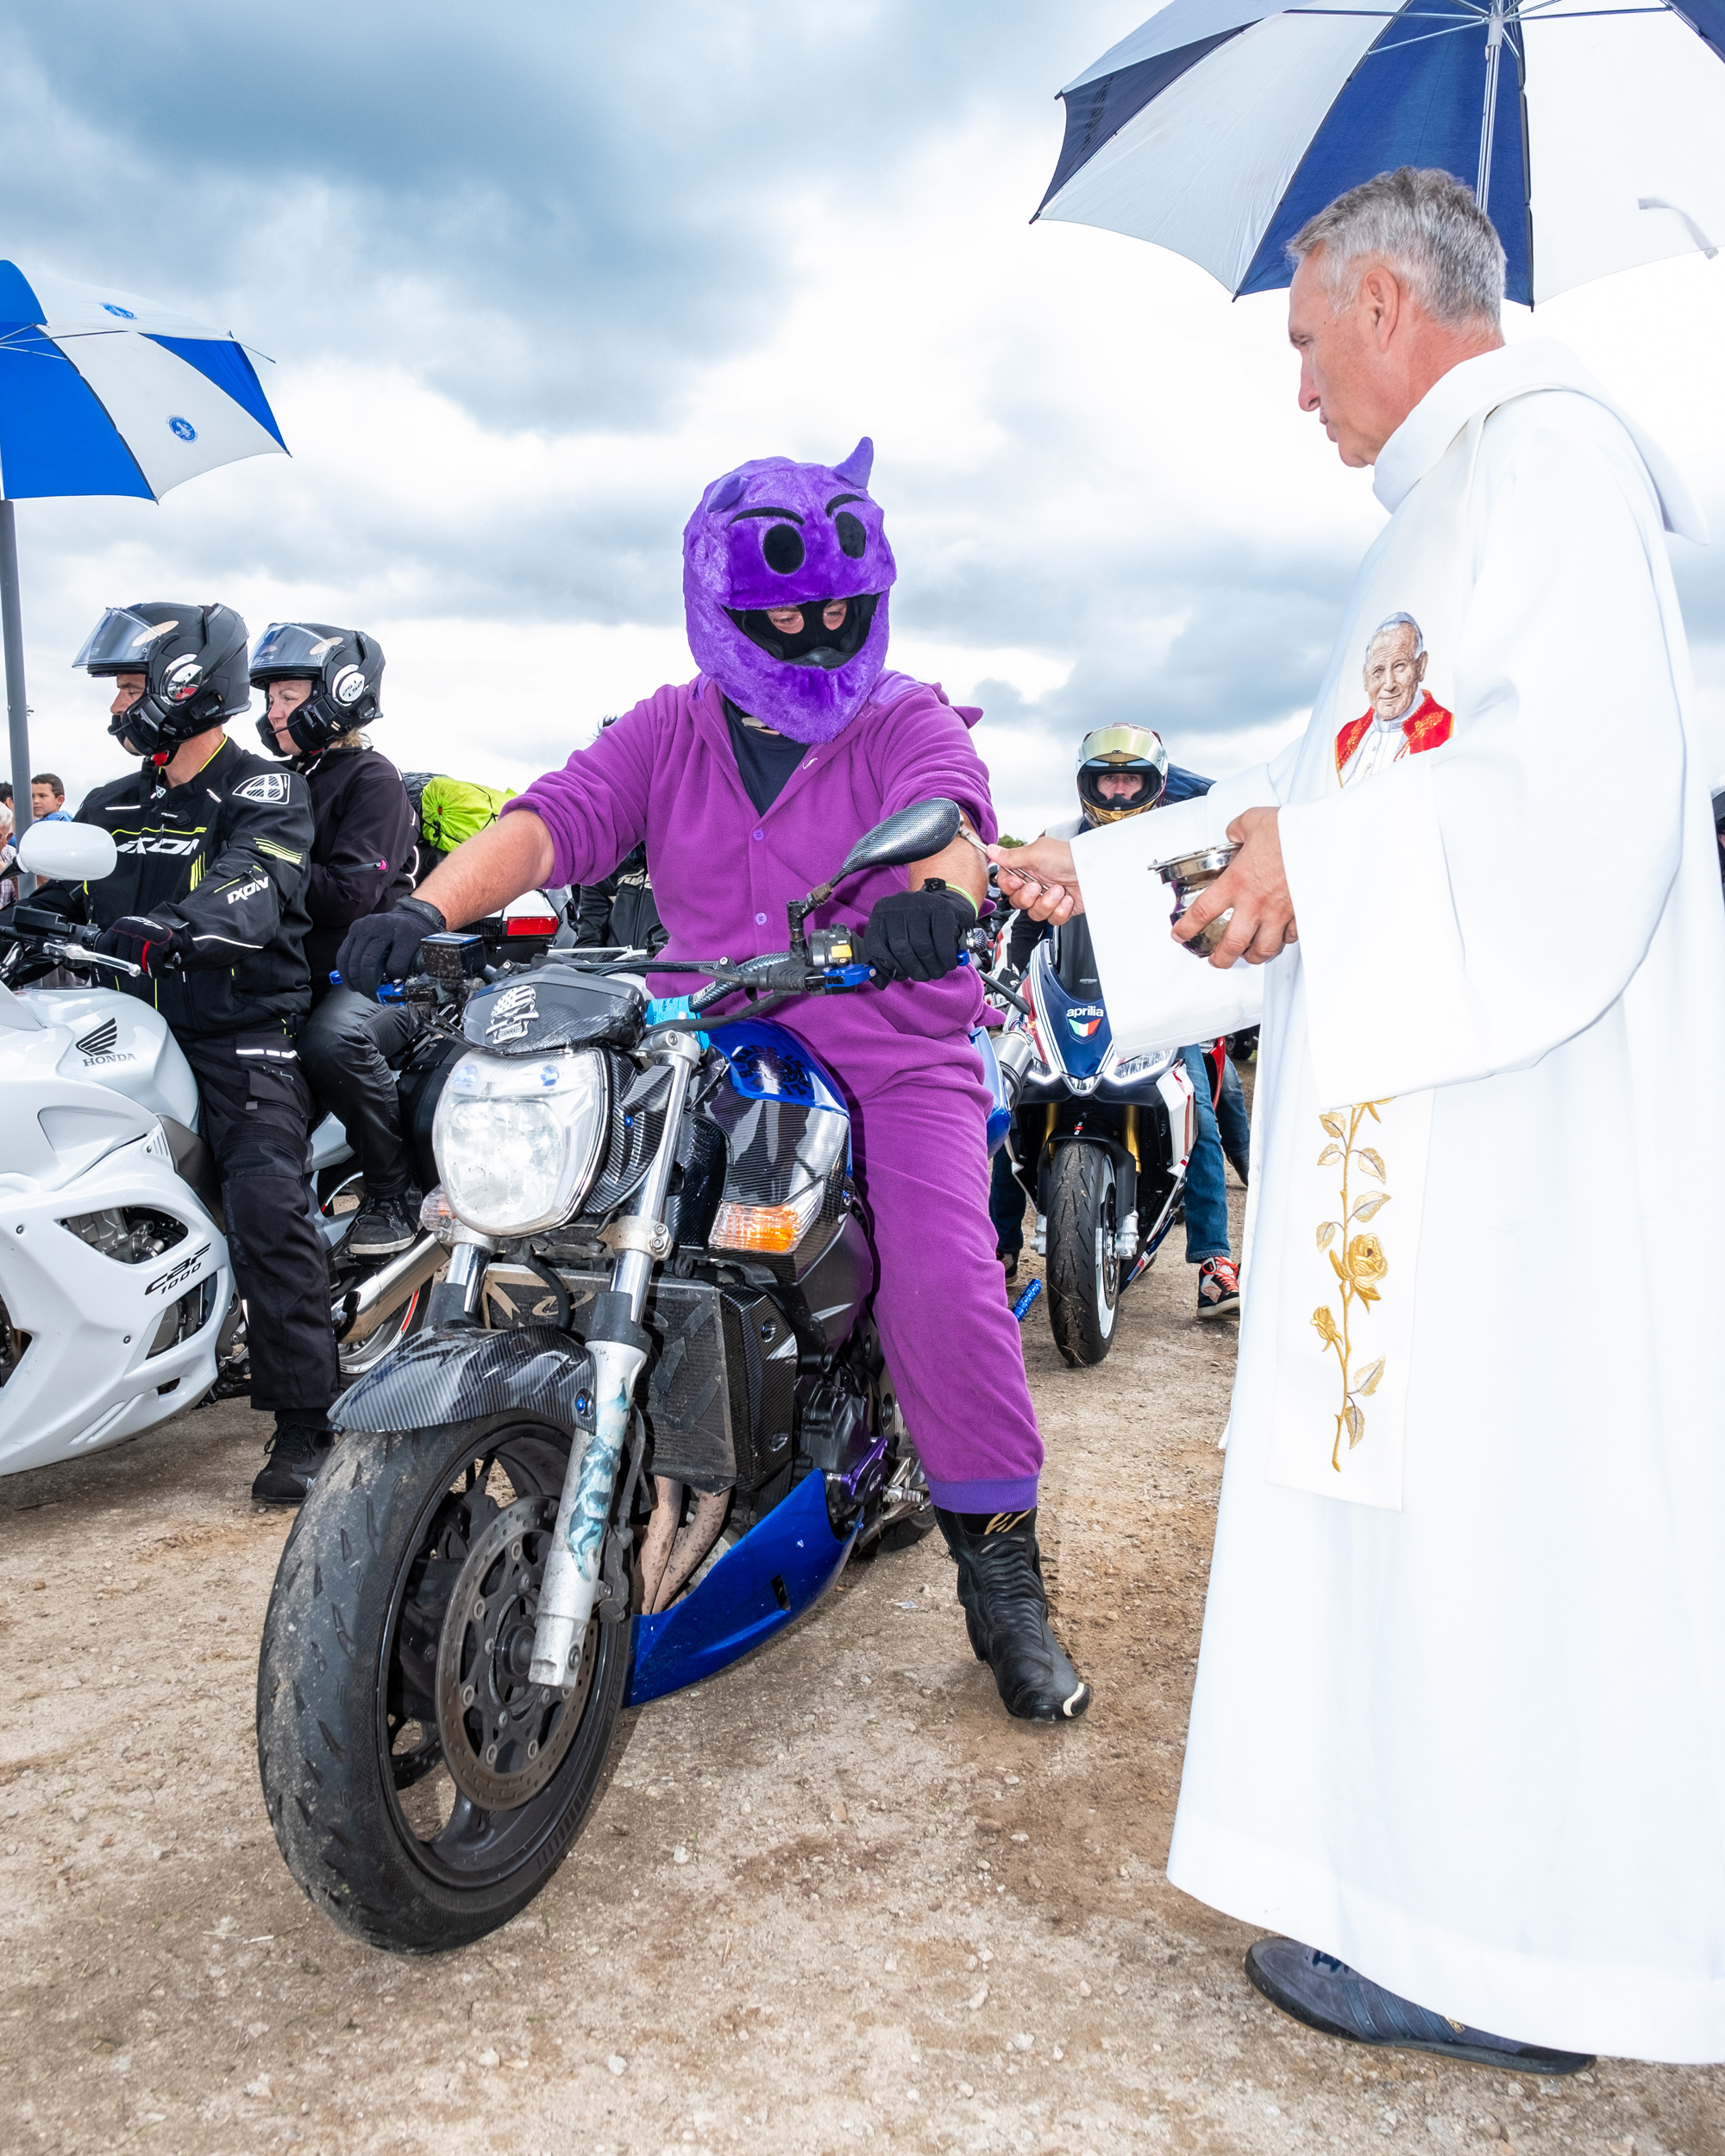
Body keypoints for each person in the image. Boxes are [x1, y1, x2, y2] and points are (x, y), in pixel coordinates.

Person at [993, 169, 1725, 2066]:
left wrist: (1308, 856)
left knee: (1503, 1522)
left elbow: (1570, 805)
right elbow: (1322, 806)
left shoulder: (1550, 469)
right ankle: (1431, 1906)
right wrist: (1118, 863)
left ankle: (1513, 1951)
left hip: (1514, 1147)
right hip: (1430, 1124)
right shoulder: (1443, 518)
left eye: (1307, 339)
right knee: (1425, 1522)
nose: (1299, 385)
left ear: (1389, 299)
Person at [341, 437, 1090, 1724]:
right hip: (696, 1031)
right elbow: (553, 820)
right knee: (551, 1210)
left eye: (832, 610)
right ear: (722, 607)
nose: (809, 632)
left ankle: (1001, 1571)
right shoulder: (669, 727)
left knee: (945, 1278)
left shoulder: (897, 714)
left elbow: (952, 823)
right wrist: (424, 905)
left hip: (887, 1035)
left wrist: (930, 905)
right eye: (780, 612)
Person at [40, 602, 341, 1506]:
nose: (116, 707)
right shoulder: (108, 802)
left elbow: (256, 884)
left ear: (185, 684)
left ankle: (304, 1422)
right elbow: (60, 895)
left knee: (266, 1205)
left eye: (128, 685)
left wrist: (175, 926)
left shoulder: (264, 790)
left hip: (237, 1031)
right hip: (116, 1028)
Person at [1007, 724, 1249, 1317]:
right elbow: (1028, 928)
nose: (1117, 793)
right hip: (1075, 998)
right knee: (1002, 1098)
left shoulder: (1176, 835)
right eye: (1107, 780)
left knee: (1203, 1112)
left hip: (1161, 1003)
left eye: (1130, 780)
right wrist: (1016, 982)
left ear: (1154, 786)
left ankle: (1214, 1261)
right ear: (1087, 784)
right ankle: (997, 1248)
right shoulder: (1059, 839)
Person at [248, 622, 422, 1257]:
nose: (275, 713)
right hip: (289, 973)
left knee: (333, 1040)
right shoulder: (278, 779)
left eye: (288, 697)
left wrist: (262, 865)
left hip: (376, 976)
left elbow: (349, 896)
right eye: (269, 701)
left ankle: (393, 1192)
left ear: (339, 693)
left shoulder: (371, 778)